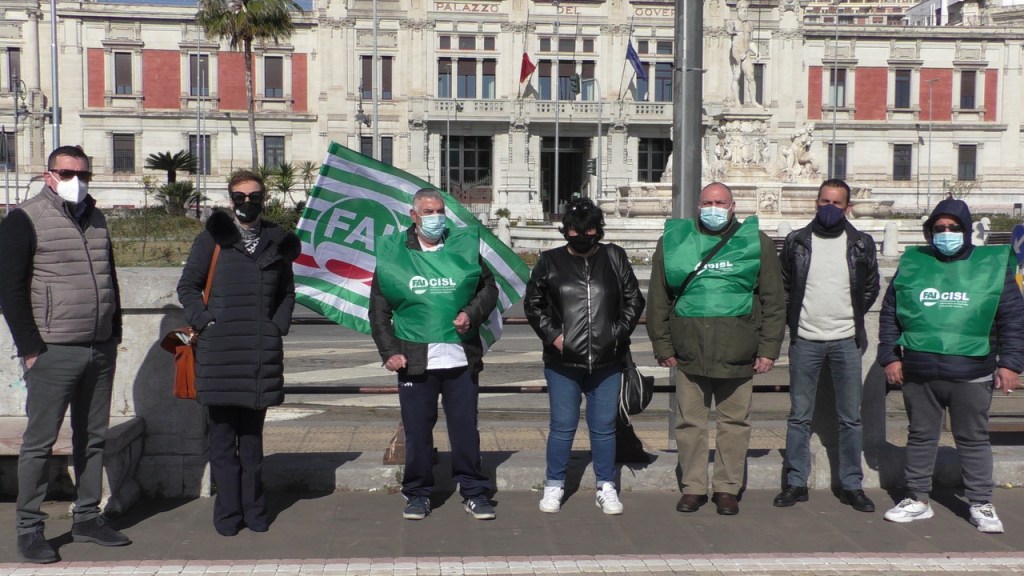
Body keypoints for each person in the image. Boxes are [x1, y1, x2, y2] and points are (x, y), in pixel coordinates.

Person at [0, 146, 131, 563]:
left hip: (99, 347)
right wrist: (31, 349)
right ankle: (29, 528)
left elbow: (108, 276)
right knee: (39, 443)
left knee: (93, 438)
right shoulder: (25, 218)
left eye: (83, 174)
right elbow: (10, 289)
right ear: (49, 175)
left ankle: (88, 517)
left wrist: (114, 332)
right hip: (52, 349)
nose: (77, 180)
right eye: (68, 173)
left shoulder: (96, 217)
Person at [878, 198, 1024, 533]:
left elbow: (1014, 319)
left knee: (972, 439)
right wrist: (890, 356)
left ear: (966, 230)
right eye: (939, 228)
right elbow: (890, 314)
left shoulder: (991, 266)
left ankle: (980, 502)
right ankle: (917, 498)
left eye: (954, 227)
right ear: (930, 232)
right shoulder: (913, 263)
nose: (946, 233)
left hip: (972, 371)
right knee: (920, 437)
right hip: (920, 370)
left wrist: (1011, 364)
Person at [646, 182, 785, 516]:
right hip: (689, 349)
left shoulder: (757, 242)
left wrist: (768, 349)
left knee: (734, 423)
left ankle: (727, 488)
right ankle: (693, 488)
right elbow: (658, 298)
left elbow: (773, 300)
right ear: (697, 206)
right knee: (689, 423)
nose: (714, 208)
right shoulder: (674, 242)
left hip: (738, 349)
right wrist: (663, 344)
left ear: (733, 206)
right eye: (707, 202)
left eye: (720, 203)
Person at [177, 170, 299, 536]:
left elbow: (287, 292)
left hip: (259, 355)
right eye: (240, 197)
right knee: (221, 442)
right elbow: (188, 287)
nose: (247, 203)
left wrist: (276, 325)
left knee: (252, 444)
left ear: (265, 199)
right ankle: (228, 515)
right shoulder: (211, 239)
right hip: (220, 353)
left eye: (254, 197)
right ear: (230, 200)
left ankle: (255, 512)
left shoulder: (278, 240)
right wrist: (206, 321)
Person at [369, 188, 499, 521]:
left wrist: (471, 313)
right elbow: (379, 310)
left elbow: (489, 288)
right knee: (417, 432)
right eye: (428, 212)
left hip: (460, 359)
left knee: (465, 430)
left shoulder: (462, 247)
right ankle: (417, 493)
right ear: (413, 216)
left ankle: (474, 491)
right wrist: (389, 352)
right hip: (414, 361)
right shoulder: (394, 254)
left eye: (440, 211)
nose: (436, 217)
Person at [524, 198, 645, 515]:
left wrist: (616, 334)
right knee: (562, 426)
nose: (581, 236)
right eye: (575, 230)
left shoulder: (614, 257)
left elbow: (634, 300)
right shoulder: (550, 260)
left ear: (598, 230)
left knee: (603, 427)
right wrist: (554, 337)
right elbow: (533, 304)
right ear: (566, 231)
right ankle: (554, 484)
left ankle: (606, 485)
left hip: (607, 360)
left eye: (589, 230)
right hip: (563, 361)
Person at [774, 179, 880, 512]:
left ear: (848, 207)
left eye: (836, 203)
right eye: (824, 201)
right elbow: (784, 286)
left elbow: (871, 287)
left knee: (850, 418)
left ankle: (851, 485)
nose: (829, 208)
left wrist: (851, 317)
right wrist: (795, 321)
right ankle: (795, 483)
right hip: (806, 339)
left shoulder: (861, 243)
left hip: (846, 341)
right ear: (815, 203)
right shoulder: (797, 241)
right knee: (799, 417)